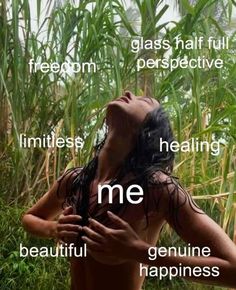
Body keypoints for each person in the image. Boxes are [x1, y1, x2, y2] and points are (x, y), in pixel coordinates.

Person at [21, 91, 236, 290]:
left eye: (143, 101)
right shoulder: (77, 180)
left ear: (149, 132)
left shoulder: (157, 188)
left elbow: (232, 269)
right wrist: (54, 229)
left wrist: (138, 251)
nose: (128, 93)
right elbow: (30, 218)